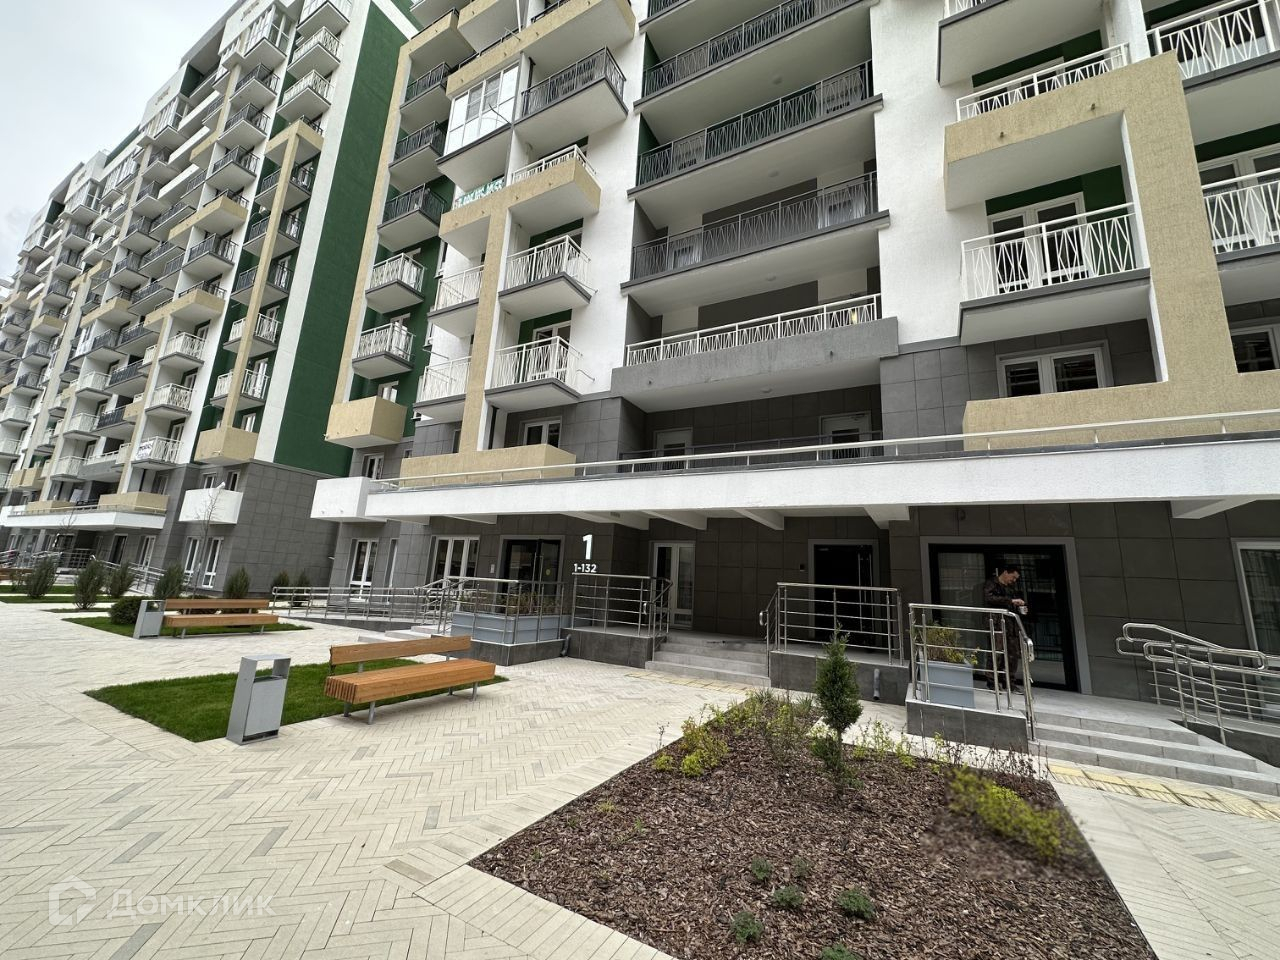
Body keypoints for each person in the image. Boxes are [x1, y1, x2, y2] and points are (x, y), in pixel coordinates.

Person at [981, 564, 1027, 690]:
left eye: (1016, 579)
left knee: (1012, 654)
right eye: (1013, 577)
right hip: (996, 623)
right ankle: (992, 682)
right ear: (1006, 572)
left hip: (1010, 625)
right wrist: (1010, 601)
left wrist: (1019, 607)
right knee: (996, 652)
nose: (1014, 580)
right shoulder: (991, 583)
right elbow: (989, 598)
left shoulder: (1011, 588)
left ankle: (1009, 682)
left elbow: (1011, 602)